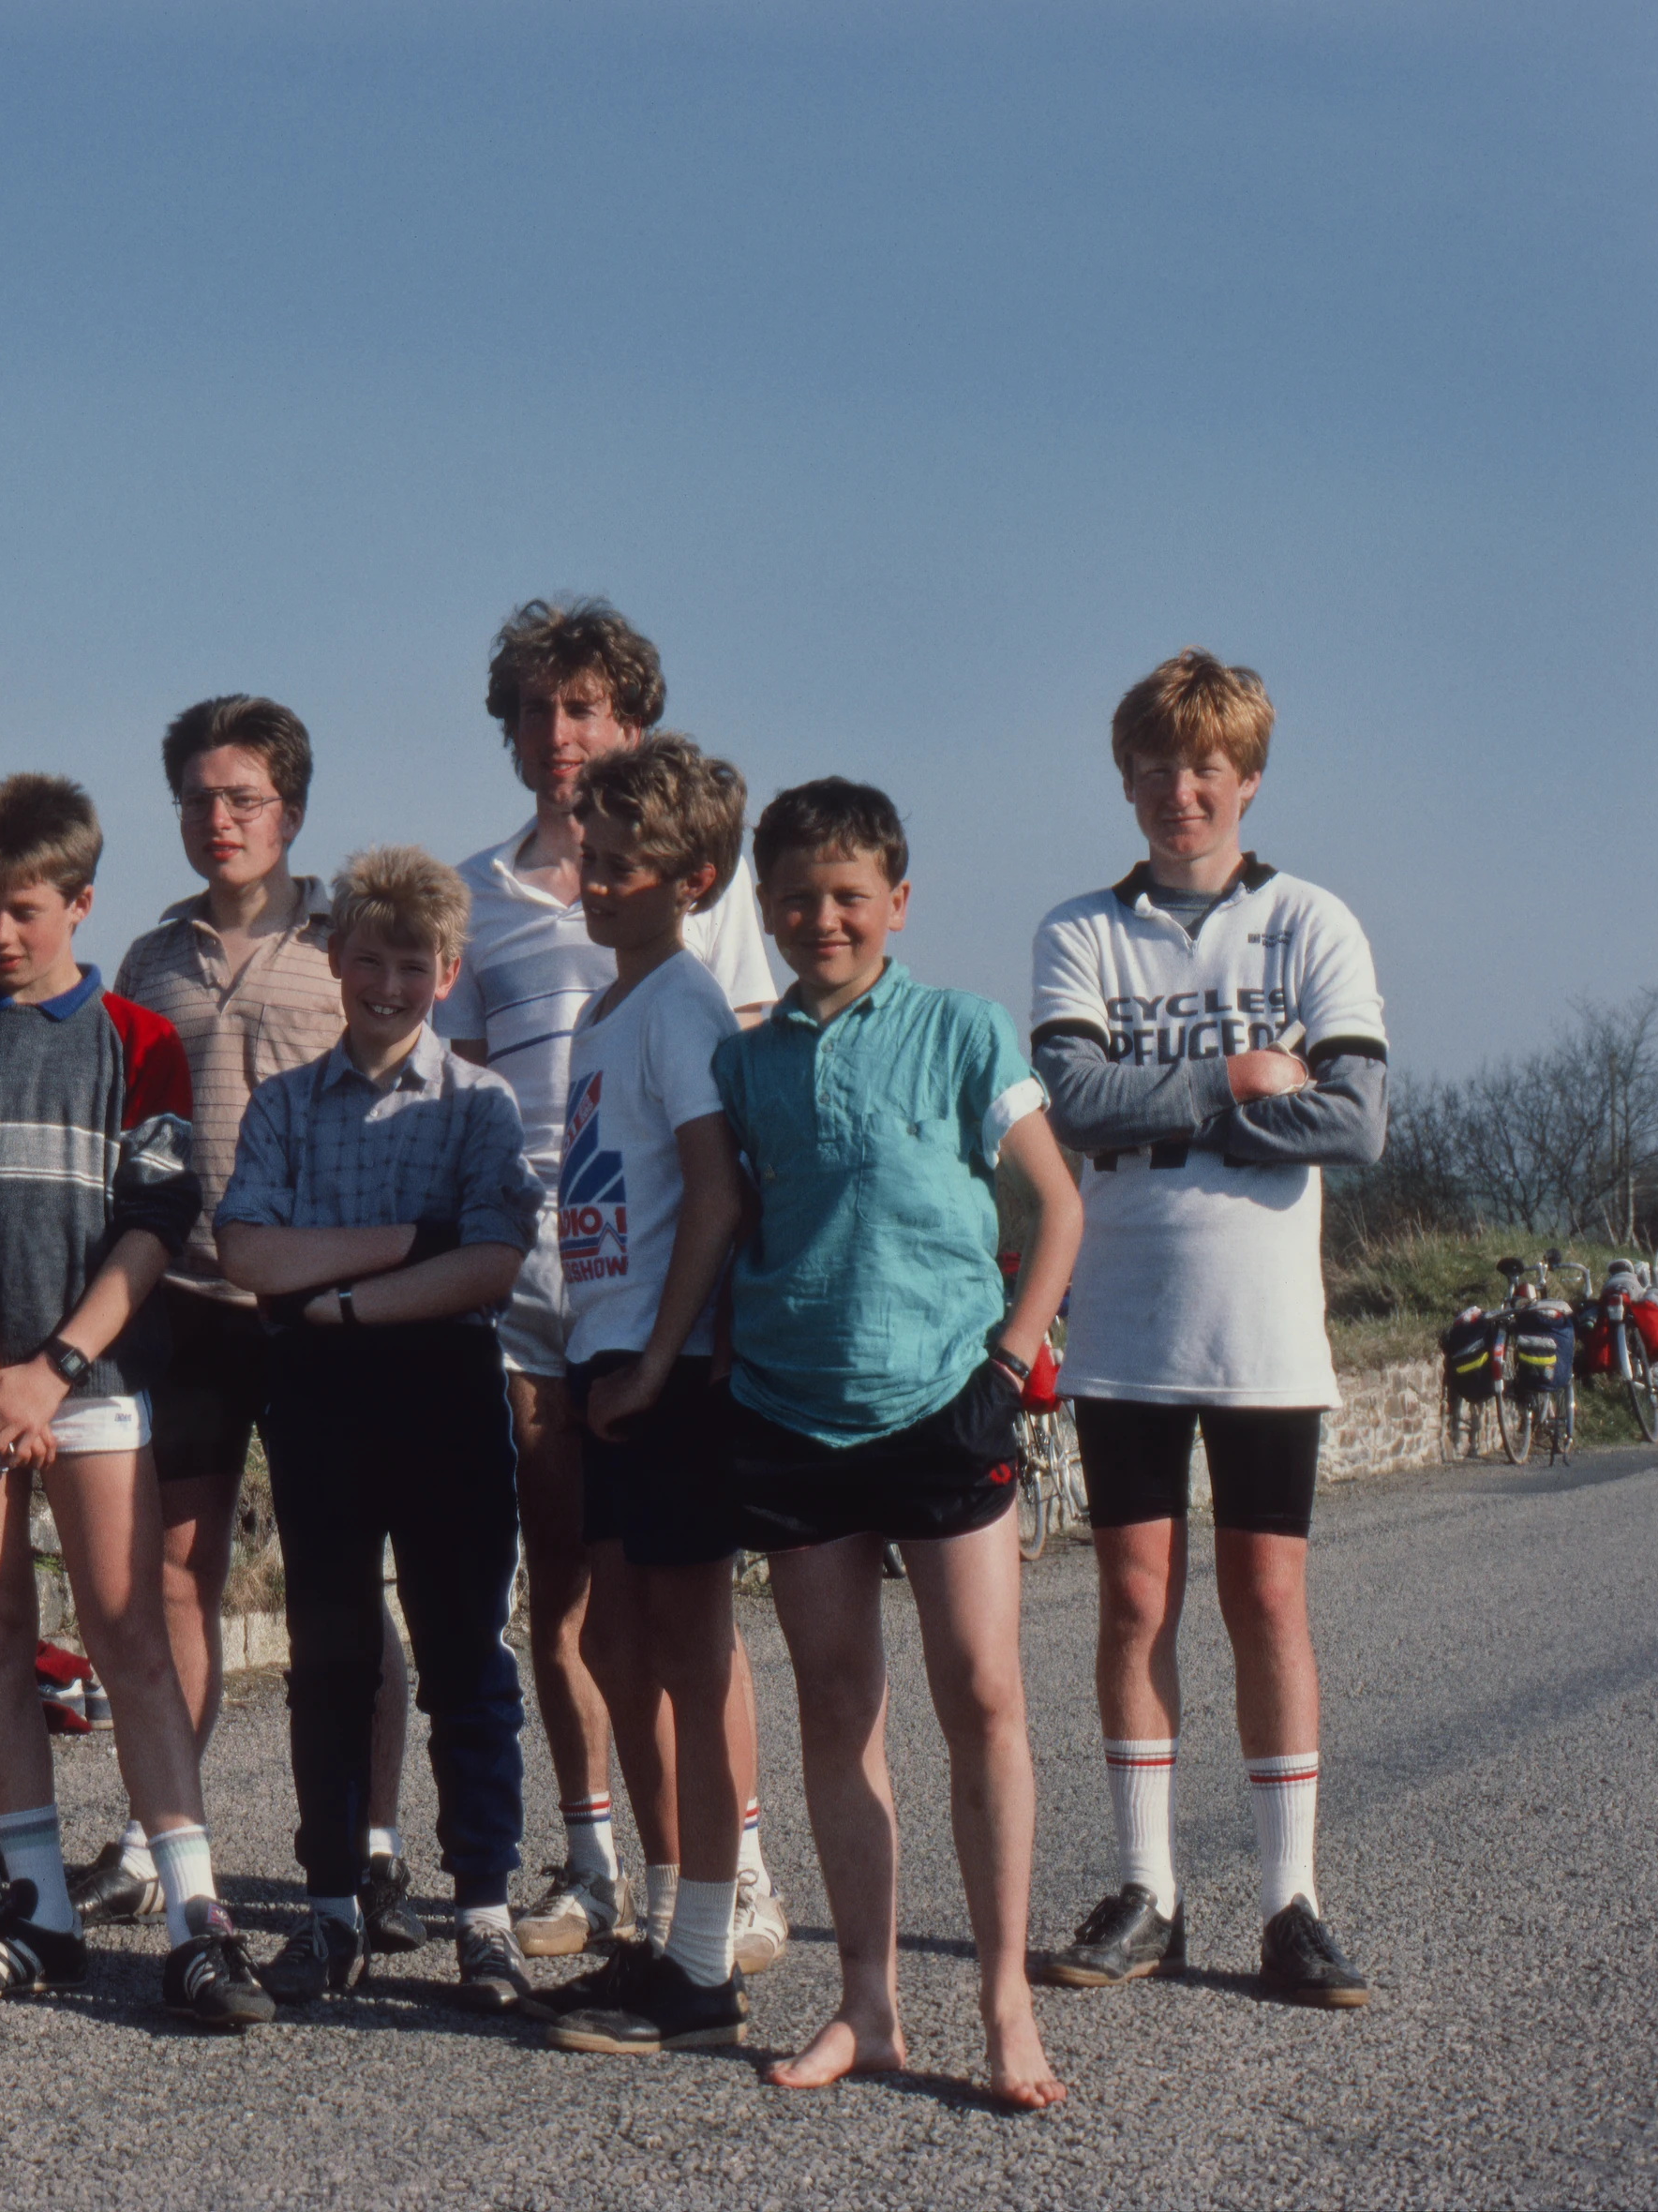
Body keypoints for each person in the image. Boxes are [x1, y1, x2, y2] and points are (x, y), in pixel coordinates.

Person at [0, 773, 272, 2029]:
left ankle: (198, 1915)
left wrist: (57, 1367)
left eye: (26, 911)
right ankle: (34, 1904)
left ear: (81, 903)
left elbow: (156, 1220)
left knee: (128, 1631)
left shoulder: (138, 1043)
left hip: (90, 1385)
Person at [710, 777, 1079, 2111]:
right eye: (797, 898)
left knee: (982, 1691)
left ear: (896, 903)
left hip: (945, 1399)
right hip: (793, 1412)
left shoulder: (965, 1029)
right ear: (766, 906)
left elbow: (1052, 1204)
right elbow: (735, 1220)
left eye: (849, 897)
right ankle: (866, 2004)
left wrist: (1012, 1354)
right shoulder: (742, 1062)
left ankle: (1002, 2000)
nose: (824, 919)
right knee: (835, 1707)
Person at [1027, 650, 1387, 2009]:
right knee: (1131, 1599)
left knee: (1267, 1600)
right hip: (1123, 1317)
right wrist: (1242, 1077)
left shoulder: (1312, 921)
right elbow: (1069, 1096)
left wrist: (1164, 1102)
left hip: (1263, 1325)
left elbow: (1355, 1122)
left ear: (1246, 776)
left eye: (1206, 767)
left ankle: (1291, 1900)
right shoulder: (1082, 930)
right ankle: (1148, 1890)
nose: (1182, 791)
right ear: (1124, 779)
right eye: (1156, 768)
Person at [438, 598, 781, 1966]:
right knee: (574, 1593)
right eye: (538, 708)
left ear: (631, 721)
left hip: (657, 1294)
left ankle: (731, 1874)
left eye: (586, 707)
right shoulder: (482, 894)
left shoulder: (696, 904)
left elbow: (735, 1099)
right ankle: (606, 1867)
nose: (561, 732)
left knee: (677, 1603)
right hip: (535, 1284)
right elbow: (465, 1099)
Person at [109, 695, 422, 1953]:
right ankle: (157, 1841)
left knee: (343, 1583)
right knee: (174, 1579)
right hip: (181, 1300)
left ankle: (378, 1841)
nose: (217, 819)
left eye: (241, 798)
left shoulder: (348, 945)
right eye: (196, 797)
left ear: (291, 811)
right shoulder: (148, 958)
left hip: (320, 1309)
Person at [210, 845, 540, 2014]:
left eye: (412, 965)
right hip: (320, 1406)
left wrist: (339, 1293)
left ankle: (485, 1913)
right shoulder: (289, 1104)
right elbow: (250, 1254)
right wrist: (414, 1240)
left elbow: (493, 1262)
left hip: (442, 1386)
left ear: (446, 971)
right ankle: (333, 1908)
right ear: (335, 963)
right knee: (332, 1659)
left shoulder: (478, 1103)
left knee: (466, 1656)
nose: (388, 987)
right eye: (368, 963)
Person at [514, 738, 770, 2055]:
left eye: (622, 870)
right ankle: (661, 1932)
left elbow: (714, 1196)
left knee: (684, 1650)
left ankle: (708, 1960)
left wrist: (669, 1359)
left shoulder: (682, 1002)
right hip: (600, 1352)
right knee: (616, 1646)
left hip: (670, 1368)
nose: (595, 887)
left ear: (694, 880)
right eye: (591, 864)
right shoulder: (605, 1011)